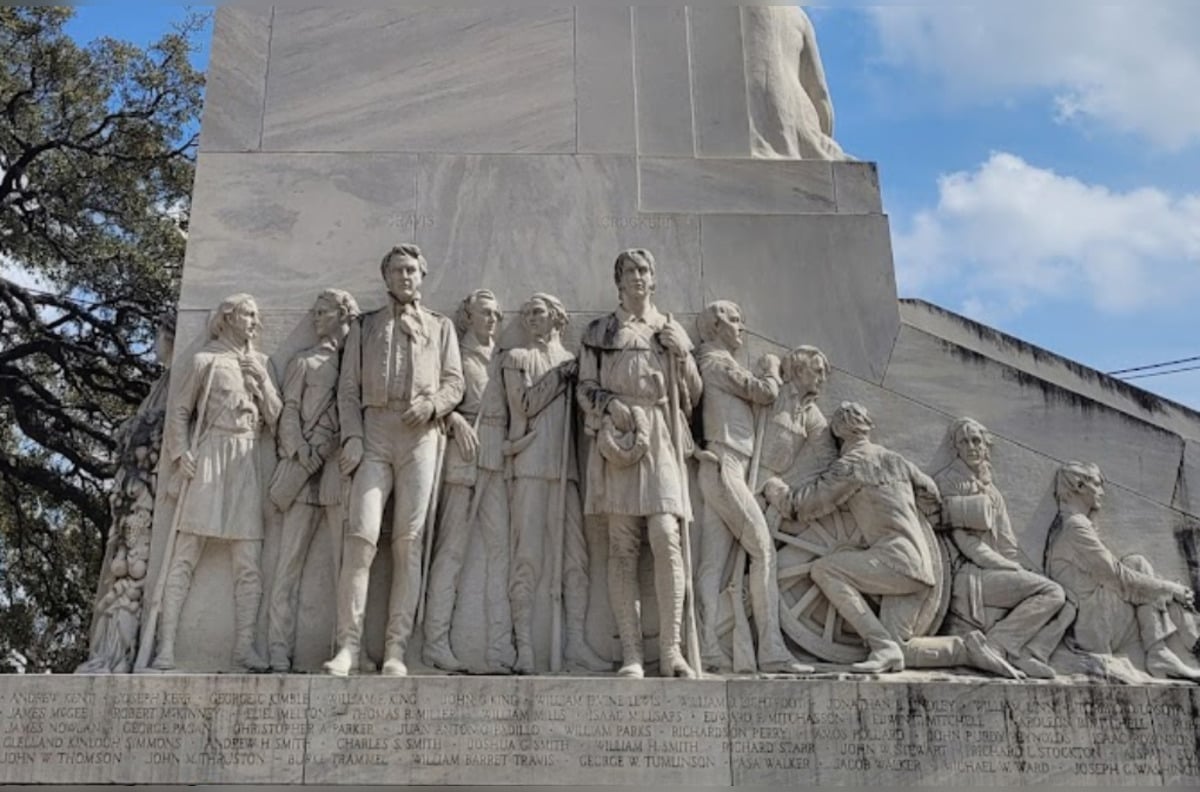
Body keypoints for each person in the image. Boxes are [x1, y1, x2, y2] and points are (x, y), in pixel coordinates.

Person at [763, 402, 1021, 678]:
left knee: (823, 569)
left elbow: (802, 507)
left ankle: (880, 644)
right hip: (923, 568)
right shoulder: (897, 461)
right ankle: (966, 650)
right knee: (903, 649)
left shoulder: (851, 466)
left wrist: (774, 488)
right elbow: (931, 494)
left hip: (893, 562)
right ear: (868, 427)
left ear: (837, 431)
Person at [324, 244, 464, 677]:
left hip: (420, 433)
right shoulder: (365, 327)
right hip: (374, 430)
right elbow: (347, 390)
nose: (405, 277)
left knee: (409, 542)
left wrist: (435, 405)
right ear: (385, 277)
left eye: (411, 270)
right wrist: (351, 434)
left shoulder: (440, 327)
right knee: (362, 537)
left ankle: (396, 649)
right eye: (397, 270)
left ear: (422, 276)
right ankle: (348, 645)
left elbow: (455, 382)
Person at [578, 249, 702, 678]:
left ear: (654, 279)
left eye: (644, 270)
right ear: (618, 281)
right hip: (619, 436)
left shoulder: (669, 330)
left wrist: (682, 355)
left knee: (666, 535)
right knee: (621, 546)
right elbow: (585, 387)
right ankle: (631, 652)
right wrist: (609, 405)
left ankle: (672, 651)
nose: (637, 277)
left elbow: (692, 396)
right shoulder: (600, 331)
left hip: (661, 434)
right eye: (629, 271)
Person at [152, 294, 282, 672]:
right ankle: (166, 646)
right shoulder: (204, 360)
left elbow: (275, 416)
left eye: (257, 315)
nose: (255, 322)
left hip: (245, 458)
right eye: (248, 314)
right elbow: (179, 412)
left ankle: (243, 647)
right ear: (228, 318)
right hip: (210, 453)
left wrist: (262, 383)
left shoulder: (261, 362)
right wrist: (180, 454)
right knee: (185, 553)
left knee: (248, 559)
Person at [693, 300, 811, 674]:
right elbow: (762, 392)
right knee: (763, 552)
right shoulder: (715, 361)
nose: (742, 327)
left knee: (712, 563)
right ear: (715, 325)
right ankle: (771, 648)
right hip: (725, 465)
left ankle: (708, 645)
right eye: (735, 320)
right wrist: (772, 370)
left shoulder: (716, 361)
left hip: (729, 468)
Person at [934, 418, 1073, 680]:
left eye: (977, 441)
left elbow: (1008, 544)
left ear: (986, 446)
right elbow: (967, 545)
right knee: (1053, 592)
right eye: (965, 441)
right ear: (956, 448)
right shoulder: (948, 482)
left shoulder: (993, 492)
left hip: (994, 570)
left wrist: (1026, 570)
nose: (972, 447)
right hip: (968, 574)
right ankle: (995, 644)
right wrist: (1009, 567)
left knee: (1067, 601)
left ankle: (1029, 653)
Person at [422, 289, 516, 674]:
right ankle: (434, 643)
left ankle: (499, 649)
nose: (491, 319)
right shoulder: (455, 352)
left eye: (495, 313)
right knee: (451, 552)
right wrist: (453, 418)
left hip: (497, 455)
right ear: (468, 317)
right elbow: (430, 392)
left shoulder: (504, 358)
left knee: (500, 551)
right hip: (463, 456)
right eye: (483, 313)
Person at [266, 289, 359, 672]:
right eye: (316, 312)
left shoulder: (358, 366)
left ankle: (347, 647)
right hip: (303, 474)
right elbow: (288, 412)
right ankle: (276, 648)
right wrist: (299, 449)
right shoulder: (304, 362)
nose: (316, 318)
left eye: (324, 312)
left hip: (339, 474)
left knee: (346, 569)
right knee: (288, 566)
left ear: (343, 316)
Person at [1045, 461, 1200, 682]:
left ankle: (1166, 650)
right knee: (1139, 571)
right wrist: (1170, 588)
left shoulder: (1069, 524)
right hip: (1092, 628)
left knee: (1137, 565)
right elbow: (1118, 577)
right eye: (1097, 484)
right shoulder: (1074, 527)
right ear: (1079, 486)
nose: (1102, 491)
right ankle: (1175, 647)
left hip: (1096, 618)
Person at [743, 5, 847, 160]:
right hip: (798, 121)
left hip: (743, 120)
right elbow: (820, 94)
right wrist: (822, 138)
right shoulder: (797, 14)